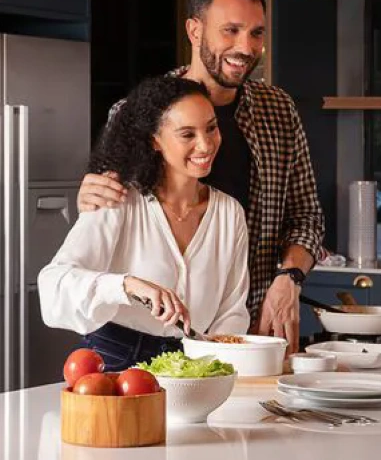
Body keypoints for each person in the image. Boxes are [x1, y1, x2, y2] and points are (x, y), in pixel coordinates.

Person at [76, 0, 324, 354]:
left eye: (256, 33)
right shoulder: (136, 114)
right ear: (194, 31)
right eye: (231, 30)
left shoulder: (280, 111)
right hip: (140, 336)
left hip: (251, 329)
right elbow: (106, 219)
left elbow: (307, 217)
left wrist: (289, 279)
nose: (246, 47)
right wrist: (88, 198)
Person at [38, 76, 251, 370]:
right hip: (112, 358)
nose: (206, 144)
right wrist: (127, 285)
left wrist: (218, 366)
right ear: (154, 140)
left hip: (192, 361)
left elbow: (232, 311)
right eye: (187, 134)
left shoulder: (230, 214)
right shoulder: (117, 200)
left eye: (211, 128)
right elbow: (53, 285)